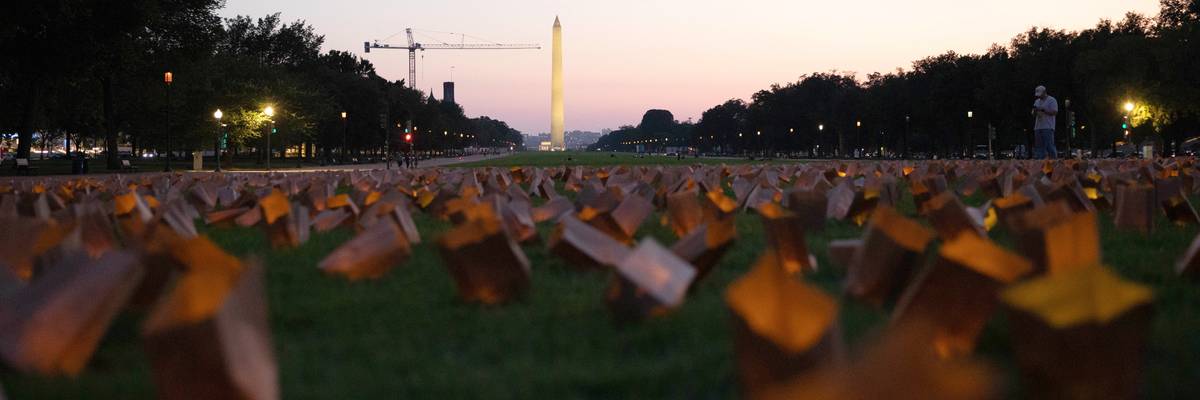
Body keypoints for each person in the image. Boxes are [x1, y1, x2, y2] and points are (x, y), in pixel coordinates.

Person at [1032, 85, 1059, 159]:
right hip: (1038, 126)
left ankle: (1054, 160)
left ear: (1044, 92)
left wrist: (1044, 110)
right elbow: (1033, 113)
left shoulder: (1052, 100)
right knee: (1039, 146)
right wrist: (1035, 111)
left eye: (1040, 94)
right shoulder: (1037, 101)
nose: (1039, 97)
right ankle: (1041, 162)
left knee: (1050, 145)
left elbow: (1055, 112)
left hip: (1048, 126)